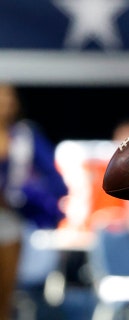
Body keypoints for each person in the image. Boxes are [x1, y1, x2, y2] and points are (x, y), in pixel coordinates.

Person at [0, 83, 68, 319]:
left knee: (5, 295)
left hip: (9, 221)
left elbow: (56, 181)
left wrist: (26, 194)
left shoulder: (25, 137)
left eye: (9, 98)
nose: (5, 104)